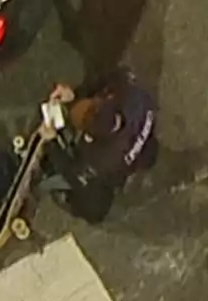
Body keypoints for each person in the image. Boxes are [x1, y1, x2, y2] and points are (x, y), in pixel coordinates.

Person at [37, 67, 157, 224]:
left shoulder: (102, 160)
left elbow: (75, 173)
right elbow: (110, 76)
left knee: (94, 207)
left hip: (115, 167)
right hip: (143, 137)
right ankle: (146, 156)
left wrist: (52, 143)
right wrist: (75, 94)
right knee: (146, 151)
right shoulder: (132, 94)